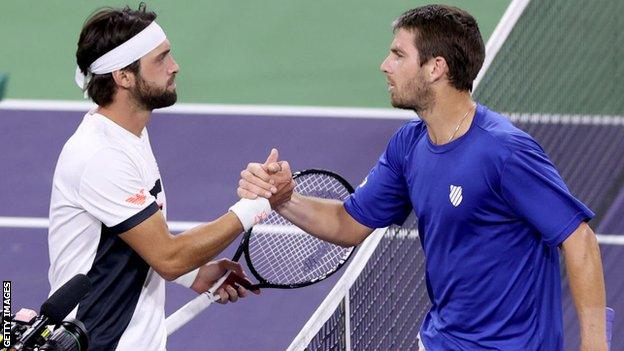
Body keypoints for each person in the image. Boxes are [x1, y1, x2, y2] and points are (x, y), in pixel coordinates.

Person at [237, 5, 607, 351]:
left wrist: (595, 345)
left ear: (436, 68)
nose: (385, 65)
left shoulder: (505, 152)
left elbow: (579, 241)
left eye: (399, 55)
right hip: (440, 342)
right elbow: (349, 222)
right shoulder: (408, 145)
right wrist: (284, 198)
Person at [48, 5, 273, 351]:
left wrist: (195, 274)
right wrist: (258, 204)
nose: (175, 66)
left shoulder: (130, 133)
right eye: (161, 59)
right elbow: (168, 257)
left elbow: (134, 240)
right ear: (124, 76)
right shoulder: (100, 157)